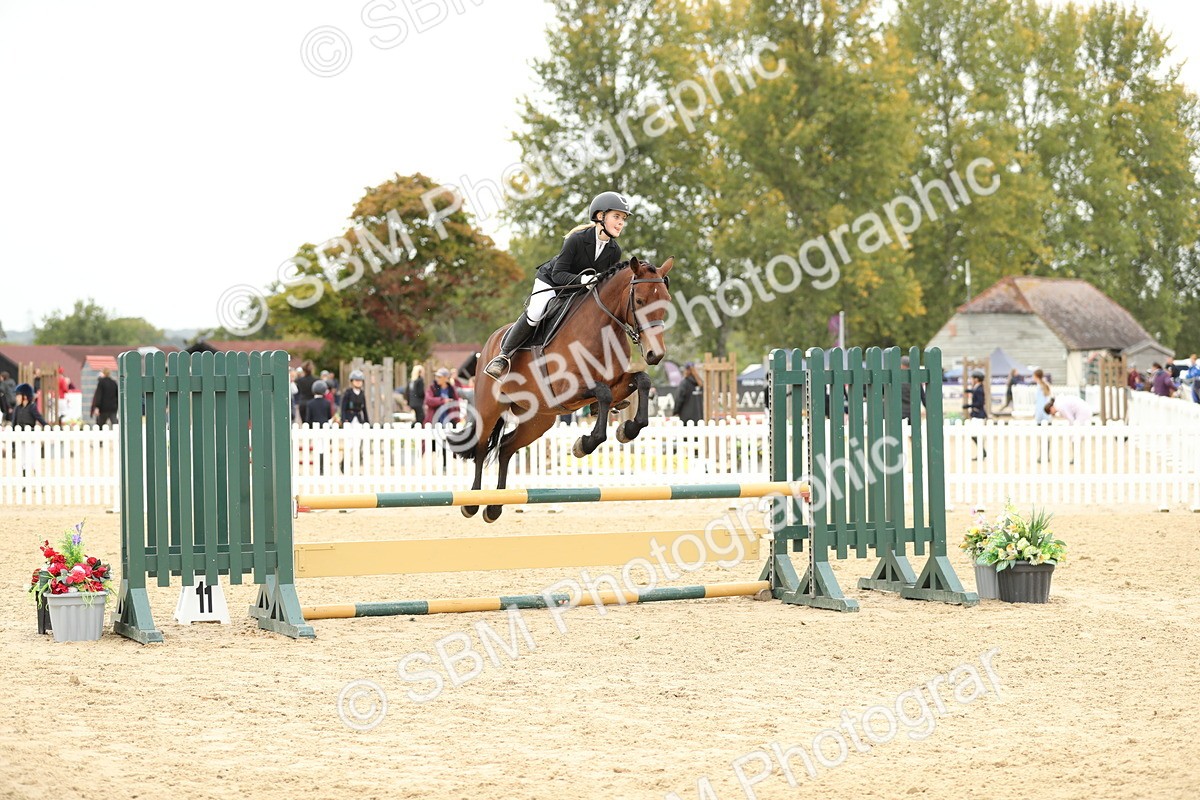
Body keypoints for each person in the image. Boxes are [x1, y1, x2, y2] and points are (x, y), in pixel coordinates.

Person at [483, 191, 632, 379]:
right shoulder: (577, 239)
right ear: (600, 216)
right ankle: (503, 356)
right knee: (536, 313)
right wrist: (582, 280)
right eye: (616, 217)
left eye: (623, 219)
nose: (621, 223)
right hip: (551, 281)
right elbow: (558, 274)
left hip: (579, 290)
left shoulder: (614, 251)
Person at [1045, 394, 1093, 465]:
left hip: (1083, 412)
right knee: (1076, 436)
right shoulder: (1059, 403)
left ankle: (1076, 458)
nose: (1052, 414)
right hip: (1084, 410)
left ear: (1051, 408)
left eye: (1050, 412)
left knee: (1075, 436)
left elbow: (1071, 419)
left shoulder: (1060, 406)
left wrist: (1070, 430)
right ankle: (1076, 458)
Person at [962, 371, 988, 459]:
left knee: (975, 434)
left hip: (979, 415)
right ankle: (982, 452)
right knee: (974, 434)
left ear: (976, 379)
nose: (971, 380)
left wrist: (969, 406)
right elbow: (975, 392)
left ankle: (983, 452)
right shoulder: (977, 388)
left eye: (972, 378)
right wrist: (969, 391)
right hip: (976, 414)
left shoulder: (979, 389)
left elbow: (980, 403)